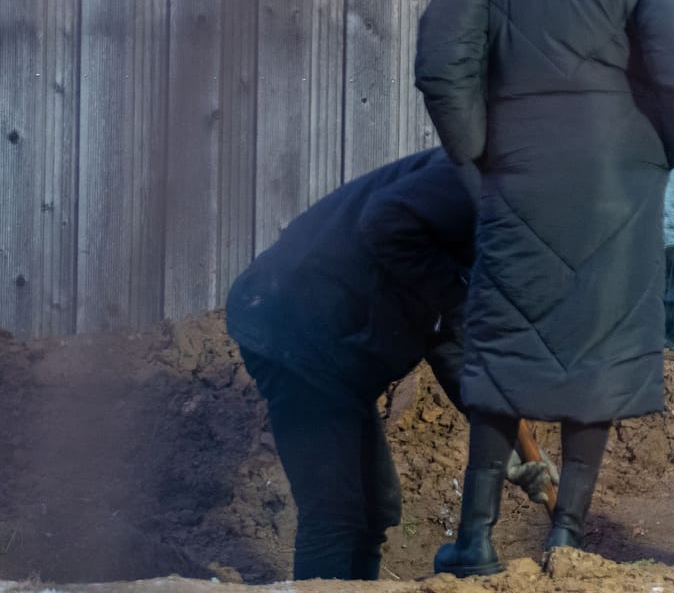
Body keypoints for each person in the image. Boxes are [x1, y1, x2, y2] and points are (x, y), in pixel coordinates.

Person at [413, 0, 674, 577]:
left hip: (518, 174)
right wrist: (666, 150)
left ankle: (476, 539)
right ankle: (566, 540)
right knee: (600, 352)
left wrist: (480, 154)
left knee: (504, 346)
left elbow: (441, 65)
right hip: (618, 181)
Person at [224, 148, 555, 580]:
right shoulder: (477, 182)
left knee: (376, 506)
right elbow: (386, 227)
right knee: (335, 512)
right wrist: (464, 302)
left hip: (338, 347)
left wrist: (503, 435)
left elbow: (450, 343)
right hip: (290, 327)